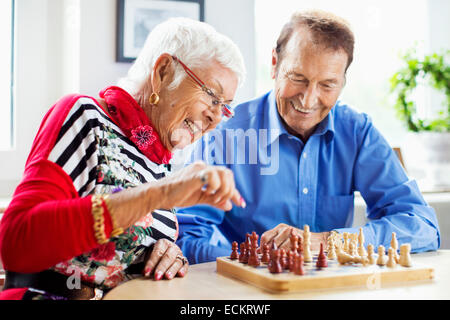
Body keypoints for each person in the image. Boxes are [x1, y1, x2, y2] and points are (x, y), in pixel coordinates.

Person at [0, 17, 246, 300]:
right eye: (212, 96)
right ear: (163, 72)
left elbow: (124, 255)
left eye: (225, 108)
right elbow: (16, 244)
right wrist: (157, 194)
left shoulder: (159, 164)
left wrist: (168, 257)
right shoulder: (87, 117)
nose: (215, 117)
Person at [176, 10, 440, 264]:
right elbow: (187, 238)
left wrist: (328, 242)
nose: (308, 99)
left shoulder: (357, 132)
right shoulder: (224, 135)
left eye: (327, 85)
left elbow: (422, 226)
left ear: (342, 83)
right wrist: (255, 260)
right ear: (275, 65)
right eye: (297, 78)